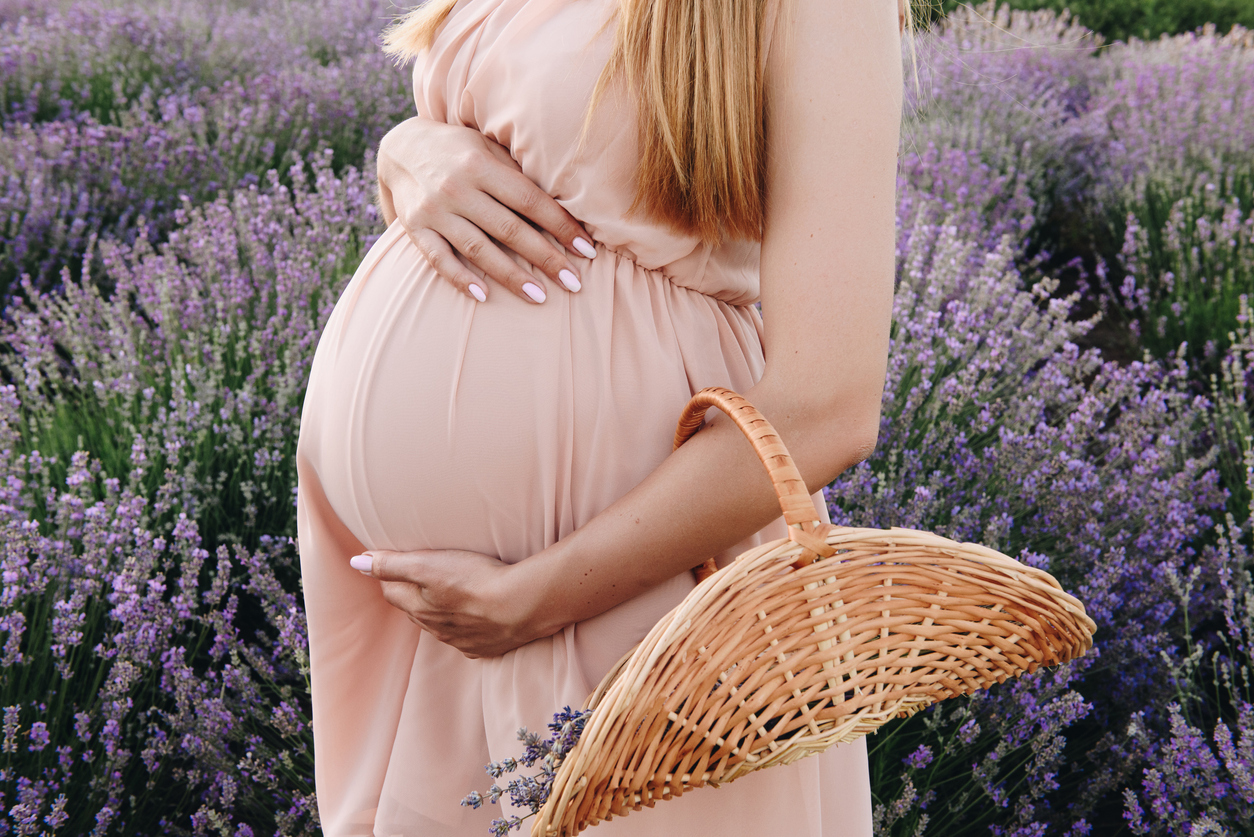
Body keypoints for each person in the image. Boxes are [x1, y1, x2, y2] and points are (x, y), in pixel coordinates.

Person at [295, 0, 904, 834]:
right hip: (439, 629)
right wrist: (408, 151)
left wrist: (529, 599)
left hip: (620, 591)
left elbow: (826, 406)